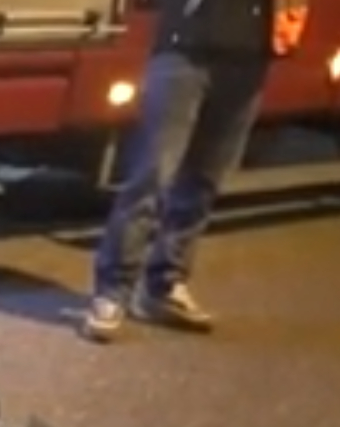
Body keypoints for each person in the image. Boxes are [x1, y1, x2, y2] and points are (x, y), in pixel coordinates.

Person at [81, 0, 307, 342]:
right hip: (183, 51)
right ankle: (112, 292)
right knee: (152, 175)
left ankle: (164, 284)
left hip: (249, 58)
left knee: (204, 179)